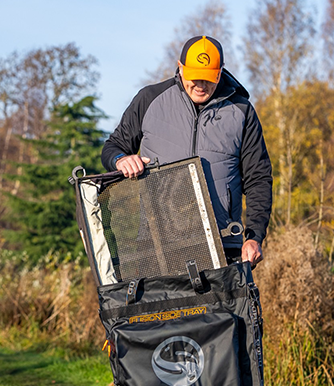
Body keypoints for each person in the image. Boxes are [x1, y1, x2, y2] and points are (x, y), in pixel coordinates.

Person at [101, 35, 273, 266]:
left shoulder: (242, 111)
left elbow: (258, 179)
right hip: (157, 246)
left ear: (221, 72)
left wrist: (254, 237)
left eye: (208, 79)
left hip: (223, 245)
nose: (201, 86)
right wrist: (120, 159)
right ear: (180, 68)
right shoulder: (150, 99)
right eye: (194, 78)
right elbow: (112, 148)